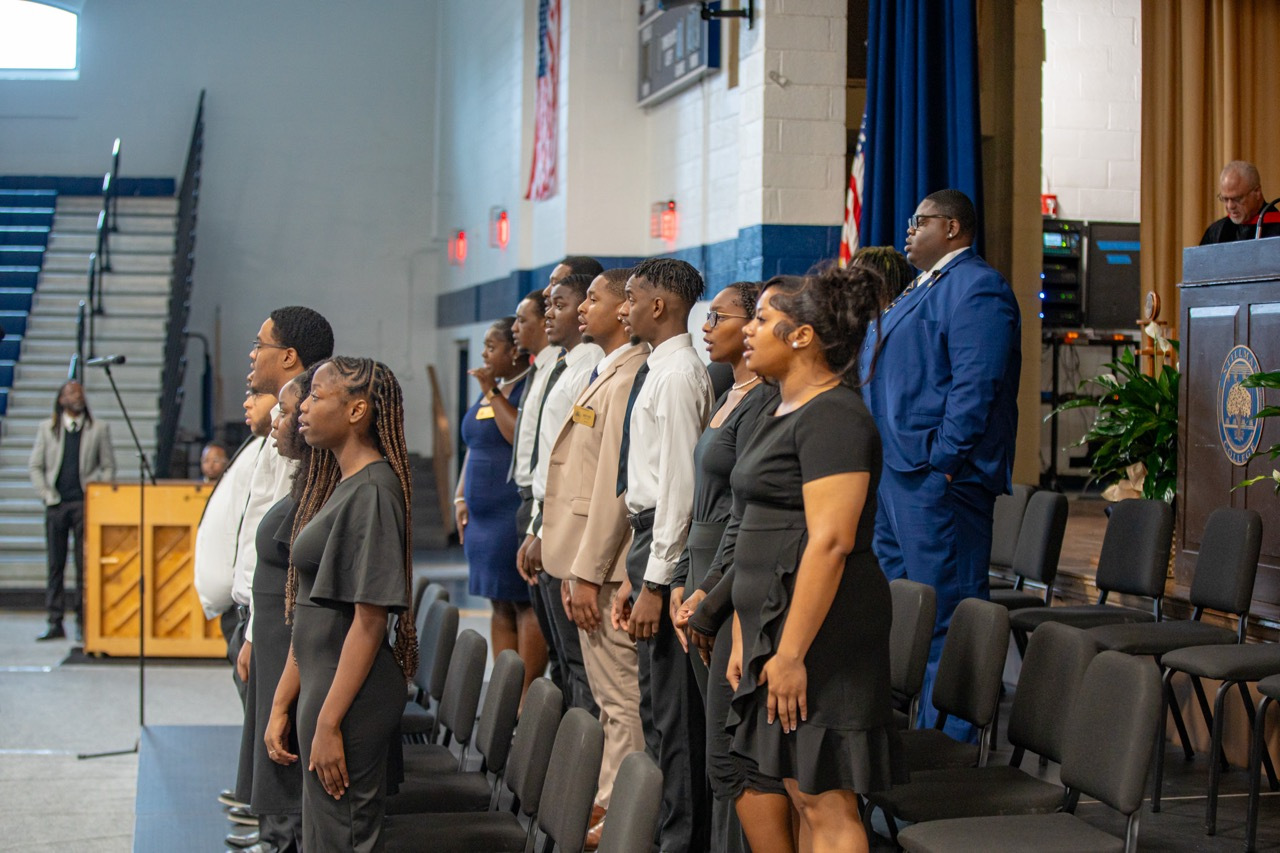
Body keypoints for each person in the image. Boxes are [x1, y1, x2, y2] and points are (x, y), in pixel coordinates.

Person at [729, 268, 904, 853]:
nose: (748, 329)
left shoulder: (835, 415)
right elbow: (760, 528)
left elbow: (831, 542)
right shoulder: (781, 408)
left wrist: (791, 653)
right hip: (776, 627)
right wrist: (745, 631)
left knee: (824, 798)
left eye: (761, 319)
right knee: (799, 789)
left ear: (801, 335)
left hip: (824, 635)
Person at [860, 189, 1020, 738]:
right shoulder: (920, 286)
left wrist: (944, 464)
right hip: (896, 474)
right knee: (904, 614)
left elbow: (976, 386)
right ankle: (912, 736)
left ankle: (952, 743)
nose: (908, 230)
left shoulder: (978, 287)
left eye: (920, 221)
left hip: (937, 480)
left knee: (946, 616)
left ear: (952, 228)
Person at [266, 357, 418, 853]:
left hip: (349, 698)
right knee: (323, 837)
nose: (303, 408)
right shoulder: (345, 484)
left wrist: (329, 721)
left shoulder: (373, 492)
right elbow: (313, 611)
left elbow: (369, 623)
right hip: (325, 684)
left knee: (343, 837)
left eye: (316, 396)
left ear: (356, 411)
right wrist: (282, 702)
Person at [543, 268, 648, 848]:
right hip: (584, 559)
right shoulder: (605, 369)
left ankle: (623, 812)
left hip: (606, 566)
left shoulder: (630, 375)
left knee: (620, 695)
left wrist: (586, 572)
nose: (583, 307)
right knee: (607, 696)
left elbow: (614, 487)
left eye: (594, 298)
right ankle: (610, 796)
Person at [615, 257, 714, 853]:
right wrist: (638, 575)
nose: (622, 308)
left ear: (658, 305)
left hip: (664, 542)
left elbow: (680, 490)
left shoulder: (678, 375)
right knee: (656, 709)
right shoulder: (659, 368)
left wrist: (656, 582)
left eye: (630, 297)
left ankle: (683, 841)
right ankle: (664, 830)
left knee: (675, 718)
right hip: (647, 541)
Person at [672, 281, 773, 853]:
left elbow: (746, 510)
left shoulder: (763, 402)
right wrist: (681, 578)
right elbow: (700, 494)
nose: (706, 328)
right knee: (712, 739)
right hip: (700, 566)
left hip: (728, 575)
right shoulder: (724, 390)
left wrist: (711, 596)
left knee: (729, 744)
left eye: (718, 317)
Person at [235, 368, 316, 853]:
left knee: (289, 762)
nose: (276, 421)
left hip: (291, 647)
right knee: (276, 758)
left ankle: (283, 840)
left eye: (285, 413)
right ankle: (277, 837)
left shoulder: (321, 492)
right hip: (271, 636)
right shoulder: (301, 479)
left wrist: (283, 699)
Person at [519, 273, 603, 712]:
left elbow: (574, 463)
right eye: (548, 305)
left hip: (563, 522)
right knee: (561, 654)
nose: (550, 313)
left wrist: (541, 529)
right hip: (544, 514)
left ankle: (578, 748)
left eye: (561, 304)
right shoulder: (564, 365)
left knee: (576, 658)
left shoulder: (588, 369)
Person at [453, 318, 539, 678]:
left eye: (492, 347)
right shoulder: (494, 387)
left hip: (509, 513)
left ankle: (527, 694)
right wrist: (460, 497)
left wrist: (491, 392)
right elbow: (474, 445)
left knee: (523, 603)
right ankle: (505, 688)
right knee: (498, 602)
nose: (484, 354)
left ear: (514, 350)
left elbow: (518, 435)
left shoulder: (528, 387)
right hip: (481, 520)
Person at [508, 289, 564, 694]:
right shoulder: (542, 368)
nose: (516, 327)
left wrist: (540, 525)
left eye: (521, 319)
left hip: (548, 503)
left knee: (565, 646)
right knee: (547, 622)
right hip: (532, 499)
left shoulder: (568, 368)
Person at [28, 380, 115, 642]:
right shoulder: (47, 429)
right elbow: (35, 466)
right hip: (56, 504)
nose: (76, 396)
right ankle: (55, 621)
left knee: (83, 566)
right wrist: (46, 495)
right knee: (55, 565)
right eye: (70, 392)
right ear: (61, 398)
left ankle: (82, 621)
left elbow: (108, 466)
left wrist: (97, 493)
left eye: (79, 392)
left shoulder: (98, 428)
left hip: (84, 505)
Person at [1200, 160, 1280, 244]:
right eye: (1225, 199)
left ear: (1257, 192)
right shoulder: (1216, 232)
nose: (1230, 206)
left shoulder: (1277, 227)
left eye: (1237, 199)